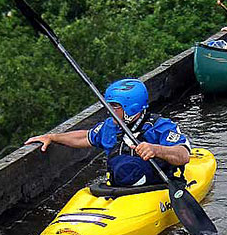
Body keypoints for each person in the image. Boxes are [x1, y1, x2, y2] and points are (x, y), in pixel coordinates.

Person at [25, 78, 190, 188]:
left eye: (114, 106)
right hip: (119, 187)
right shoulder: (110, 127)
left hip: (154, 185)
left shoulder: (160, 127)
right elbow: (84, 137)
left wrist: (156, 150)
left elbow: (183, 155)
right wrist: (52, 137)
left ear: (131, 107)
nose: (109, 111)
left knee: (128, 170)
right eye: (108, 105)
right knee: (123, 169)